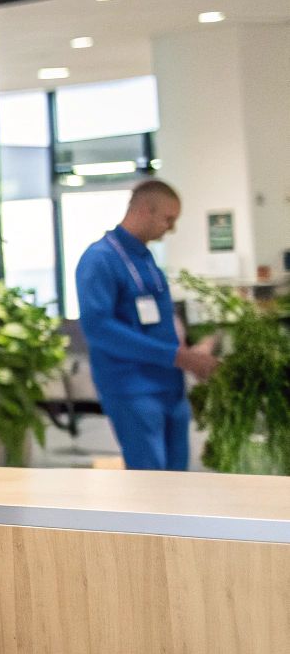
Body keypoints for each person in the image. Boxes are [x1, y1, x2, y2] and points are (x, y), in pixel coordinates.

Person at [74, 179, 217, 471]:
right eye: (168, 219)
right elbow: (99, 329)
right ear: (145, 210)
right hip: (132, 387)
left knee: (177, 475)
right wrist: (178, 357)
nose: (171, 229)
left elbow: (161, 318)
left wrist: (192, 350)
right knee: (150, 479)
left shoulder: (145, 258)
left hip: (169, 384)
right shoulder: (99, 259)